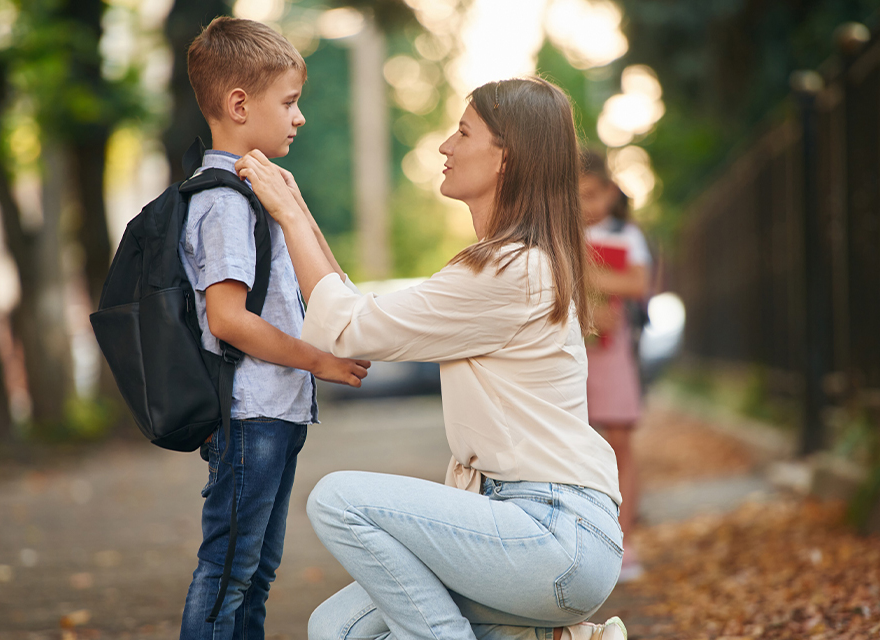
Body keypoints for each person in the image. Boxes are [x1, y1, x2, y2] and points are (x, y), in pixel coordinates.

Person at [236, 77, 627, 640]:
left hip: (552, 535)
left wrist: (290, 217)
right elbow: (353, 306)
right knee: (337, 629)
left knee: (339, 499)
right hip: (531, 531)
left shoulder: (506, 271)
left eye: (463, 133)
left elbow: (348, 327)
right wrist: (295, 207)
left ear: (505, 159)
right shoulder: (513, 263)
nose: (445, 147)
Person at [176, 16, 370, 640]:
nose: (299, 117)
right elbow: (227, 319)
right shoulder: (224, 202)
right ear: (239, 104)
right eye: (289, 102)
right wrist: (318, 361)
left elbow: (332, 285)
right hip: (251, 414)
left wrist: (297, 209)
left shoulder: (261, 193)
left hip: (276, 412)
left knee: (254, 573)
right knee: (228, 570)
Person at [578, 150, 653, 583]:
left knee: (620, 437)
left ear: (609, 191)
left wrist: (586, 275)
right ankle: (588, 538)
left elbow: (638, 282)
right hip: (572, 351)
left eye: (592, 194)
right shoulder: (562, 232)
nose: (586, 206)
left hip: (612, 350)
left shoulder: (626, 234)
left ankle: (625, 539)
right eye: (577, 197)